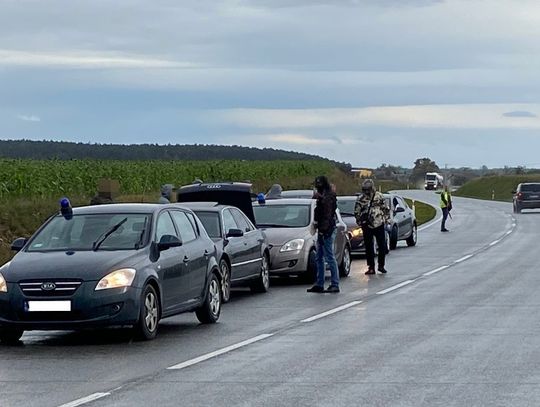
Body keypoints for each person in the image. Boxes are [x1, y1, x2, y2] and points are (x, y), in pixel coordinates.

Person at [307, 175, 340, 293]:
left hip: (327, 229)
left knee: (329, 257)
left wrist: (323, 230)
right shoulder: (324, 196)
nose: (317, 187)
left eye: (318, 184)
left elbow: (327, 214)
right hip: (323, 228)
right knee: (319, 257)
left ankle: (335, 283)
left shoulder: (328, 197)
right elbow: (320, 213)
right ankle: (320, 283)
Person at [354, 179, 390, 275]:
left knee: (382, 246)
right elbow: (357, 211)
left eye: (368, 190)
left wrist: (386, 219)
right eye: (364, 190)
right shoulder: (361, 198)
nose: (366, 192)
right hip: (367, 225)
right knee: (369, 247)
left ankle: (381, 265)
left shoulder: (379, 196)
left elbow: (386, 208)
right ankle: (371, 267)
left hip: (379, 223)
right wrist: (360, 221)